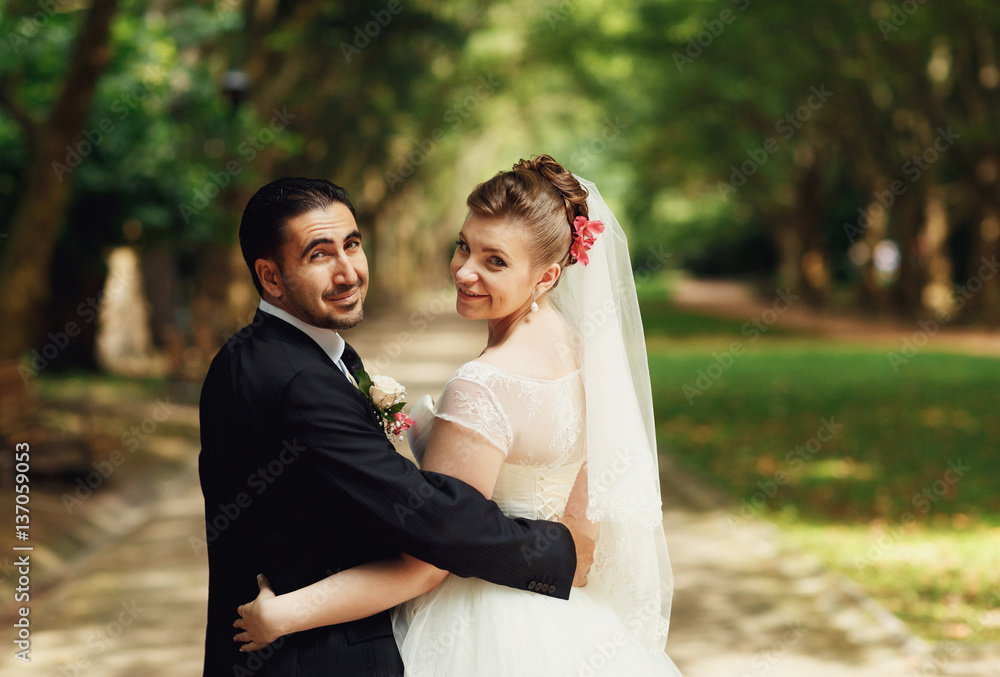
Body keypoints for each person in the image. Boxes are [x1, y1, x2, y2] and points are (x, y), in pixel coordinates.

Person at [233, 157, 683, 675]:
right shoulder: (589, 357)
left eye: (495, 262)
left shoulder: (483, 385)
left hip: (483, 628)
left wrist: (286, 614)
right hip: (571, 619)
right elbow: (581, 543)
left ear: (548, 275)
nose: (465, 272)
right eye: (465, 246)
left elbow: (427, 564)